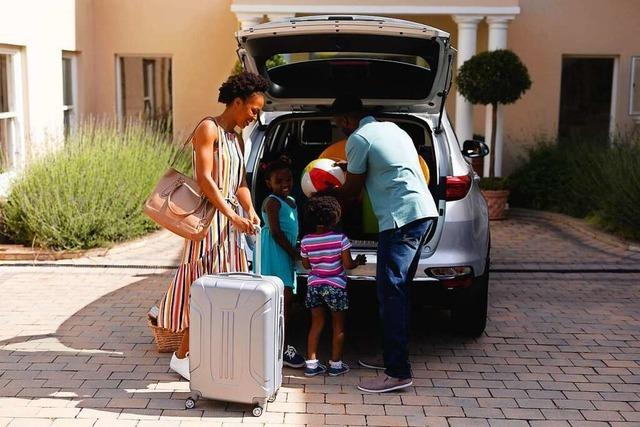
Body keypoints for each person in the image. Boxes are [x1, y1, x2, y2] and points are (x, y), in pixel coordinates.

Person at [157, 72, 268, 381]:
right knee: (203, 294)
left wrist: (250, 209)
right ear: (237, 102)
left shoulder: (237, 139)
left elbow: (241, 182)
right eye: (253, 110)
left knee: (225, 294)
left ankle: (206, 353)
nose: (253, 118)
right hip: (207, 227)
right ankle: (182, 356)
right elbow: (206, 180)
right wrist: (232, 216)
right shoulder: (209, 129)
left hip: (230, 229)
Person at [329, 95, 438, 393]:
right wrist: (350, 165)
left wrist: (325, 196)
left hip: (400, 221)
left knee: (391, 294)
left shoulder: (359, 139)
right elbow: (385, 165)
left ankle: (398, 372)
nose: (341, 130)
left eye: (340, 125)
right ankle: (392, 358)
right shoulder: (393, 129)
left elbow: (351, 189)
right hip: (424, 213)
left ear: (348, 120)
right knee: (399, 293)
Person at [300, 196, 366, 377]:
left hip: (314, 286)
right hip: (336, 286)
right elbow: (348, 265)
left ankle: (312, 365)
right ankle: (336, 365)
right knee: (338, 326)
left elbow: (306, 266)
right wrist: (358, 261)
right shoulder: (341, 239)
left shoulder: (306, 241)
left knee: (316, 324)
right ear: (335, 217)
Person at [256, 158, 306, 368]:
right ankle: (279, 348)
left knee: (286, 299)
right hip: (276, 252)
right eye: (279, 181)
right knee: (281, 300)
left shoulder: (291, 199)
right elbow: (276, 232)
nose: (285, 183)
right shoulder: (272, 201)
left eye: (288, 179)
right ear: (269, 183)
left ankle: (278, 345)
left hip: (284, 252)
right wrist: (294, 253)